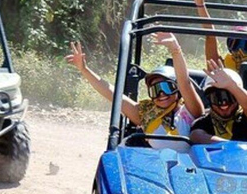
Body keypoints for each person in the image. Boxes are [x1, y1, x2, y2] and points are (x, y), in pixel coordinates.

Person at [66, 33, 204, 151]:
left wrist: (175, 50)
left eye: (166, 87)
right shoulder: (145, 113)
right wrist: (84, 69)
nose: (161, 94)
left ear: (177, 88)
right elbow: (112, 94)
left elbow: (185, 83)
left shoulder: (190, 111)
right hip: (153, 168)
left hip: (187, 169)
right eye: (155, 90)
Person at [190, 60, 247, 144]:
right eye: (216, 98)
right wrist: (232, 146)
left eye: (228, 97)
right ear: (209, 99)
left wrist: (232, 86)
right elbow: (197, 136)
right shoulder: (202, 123)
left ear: (237, 97)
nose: (224, 104)